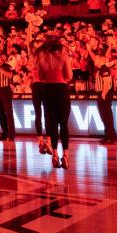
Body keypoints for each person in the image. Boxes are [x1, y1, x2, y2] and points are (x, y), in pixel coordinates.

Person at [37, 38, 73, 169]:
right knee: (63, 123)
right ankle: (66, 155)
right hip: (61, 90)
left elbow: (41, 77)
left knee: (52, 123)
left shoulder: (42, 59)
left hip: (47, 90)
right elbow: (69, 76)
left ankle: (55, 154)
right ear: (59, 48)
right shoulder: (64, 58)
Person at [0, 54, 15, 142]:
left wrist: (0, 69)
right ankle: (5, 132)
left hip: (5, 90)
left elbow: (10, 76)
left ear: (1, 59)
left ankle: (11, 135)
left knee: (8, 113)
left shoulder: (7, 66)